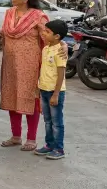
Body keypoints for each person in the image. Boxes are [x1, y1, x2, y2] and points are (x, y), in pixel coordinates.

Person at [0, 0, 48, 152]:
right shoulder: (8, 13)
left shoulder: (38, 16)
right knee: (12, 96)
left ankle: (32, 138)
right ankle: (16, 136)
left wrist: (61, 47)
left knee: (29, 98)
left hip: (30, 64)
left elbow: (48, 39)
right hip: (10, 63)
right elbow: (3, 35)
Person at [35, 20, 69, 160]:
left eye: (47, 32)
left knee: (56, 122)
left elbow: (61, 73)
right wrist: (39, 88)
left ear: (57, 36)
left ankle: (59, 149)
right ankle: (49, 145)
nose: (44, 33)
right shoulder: (46, 48)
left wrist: (55, 94)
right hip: (44, 89)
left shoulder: (60, 51)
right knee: (47, 120)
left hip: (55, 92)